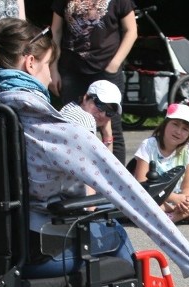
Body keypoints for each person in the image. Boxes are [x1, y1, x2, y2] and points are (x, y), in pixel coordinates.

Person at [0, 18, 189, 287]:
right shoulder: (56, 129)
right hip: (32, 253)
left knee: (93, 227)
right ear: (30, 62)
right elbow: (130, 194)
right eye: (49, 65)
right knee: (115, 234)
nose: (52, 77)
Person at [50, 0, 137, 164]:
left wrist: (114, 64)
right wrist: (53, 69)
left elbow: (131, 30)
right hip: (72, 70)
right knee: (71, 126)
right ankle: (76, 181)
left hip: (106, 70)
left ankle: (116, 182)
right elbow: (56, 31)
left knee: (112, 129)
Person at [61, 80, 122, 150]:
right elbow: (103, 160)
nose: (103, 114)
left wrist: (107, 135)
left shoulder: (69, 109)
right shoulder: (85, 119)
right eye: (100, 105)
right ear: (85, 98)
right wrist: (108, 135)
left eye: (110, 112)